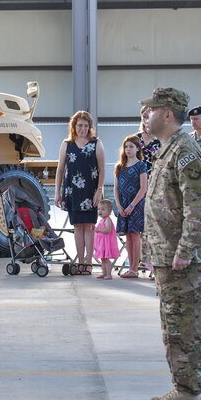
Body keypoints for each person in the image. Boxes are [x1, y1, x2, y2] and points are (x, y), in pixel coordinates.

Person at [141, 87, 201, 400]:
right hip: (166, 258)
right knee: (174, 324)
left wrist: (185, 250)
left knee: (186, 326)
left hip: (181, 260)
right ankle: (182, 390)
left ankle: (189, 394)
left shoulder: (185, 150)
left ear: (167, 114)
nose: (146, 114)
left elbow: (196, 206)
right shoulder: (167, 149)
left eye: (151, 109)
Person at [54, 110, 105, 275]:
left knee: (89, 227)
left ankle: (89, 263)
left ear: (90, 127)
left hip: (91, 192)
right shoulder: (66, 144)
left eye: (85, 125)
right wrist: (57, 193)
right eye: (79, 125)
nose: (83, 128)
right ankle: (81, 263)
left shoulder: (96, 143)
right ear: (74, 126)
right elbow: (60, 170)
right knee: (77, 227)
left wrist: (99, 191)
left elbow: (102, 169)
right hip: (72, 192)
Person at [113, 135, 148, 278]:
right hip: (123, 204)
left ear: (137, 148)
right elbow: (115, 188)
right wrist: (119, 206)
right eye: (126, 146)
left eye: (131, 146)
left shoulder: (141, 165)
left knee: (135, 235)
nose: (128, 149)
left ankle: (134, 268)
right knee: (127, 235)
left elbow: (143, 188)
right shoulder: (119, 166)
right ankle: (130, 267)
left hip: (137, 204)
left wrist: (132, 205)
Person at [93, 199, 120, 280]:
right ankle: (104, 273)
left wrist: (98, 230)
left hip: (106, 243)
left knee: (106, 259)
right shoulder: (102, 220)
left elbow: (108, 230)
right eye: (99, 209)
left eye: (103, 209)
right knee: (103, 259)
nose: (100, 211)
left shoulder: (107, 220)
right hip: (101, 243)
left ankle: (108, 274)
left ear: (109, 212)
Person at [139, 105, 162, 175]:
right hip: (138, 179)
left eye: (149, 117)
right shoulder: (136, 138)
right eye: (144, 117)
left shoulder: (162, 138)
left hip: (157, 178)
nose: (147, 120)